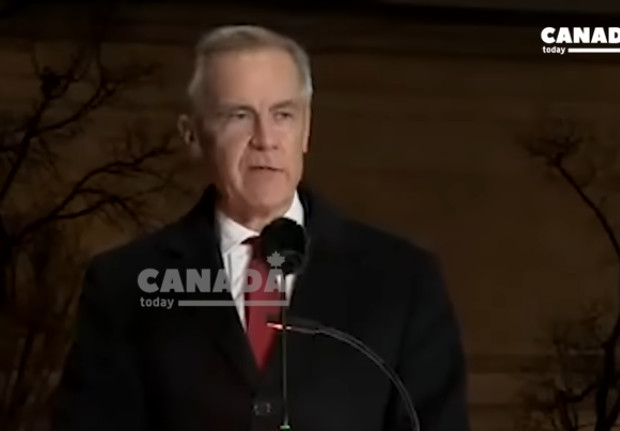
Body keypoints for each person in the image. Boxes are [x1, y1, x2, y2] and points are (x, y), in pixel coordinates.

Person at [54, 25, 470, 431]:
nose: (265, 139)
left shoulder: (404, 281)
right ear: (192, 135)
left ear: (306, 130)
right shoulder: (125, 286)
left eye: (283, 115)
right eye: (239, 116)